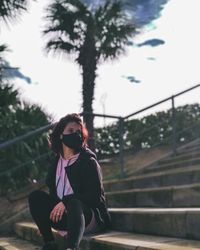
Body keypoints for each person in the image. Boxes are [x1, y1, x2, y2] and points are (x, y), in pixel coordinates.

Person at [28, 113, 111, 250]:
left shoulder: (88, 161)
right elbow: (53, 193)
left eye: (78, 131)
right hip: (66, 218)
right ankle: (50, 244)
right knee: (35, 197)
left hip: (88, 217)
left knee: (73, 203)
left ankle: (72, 248)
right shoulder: (57, 162)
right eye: (71, 131)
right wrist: (43, 221)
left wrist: (66, 201)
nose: (76, 134)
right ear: (61, 135)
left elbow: (94, 197)